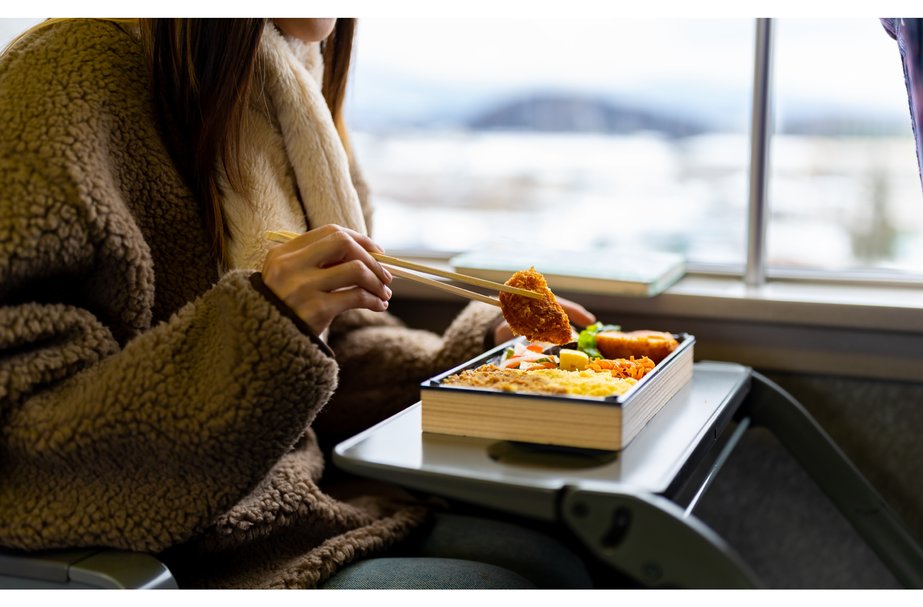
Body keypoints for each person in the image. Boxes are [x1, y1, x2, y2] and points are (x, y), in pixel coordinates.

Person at [0, 17, 595, 589]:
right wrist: (265, 323)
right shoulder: (65, 79)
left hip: (300, 508)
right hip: (181, 552)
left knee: (559, 560)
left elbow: (336, 353)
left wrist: (477, 355)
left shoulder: (291, 91)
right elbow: (21, 440)